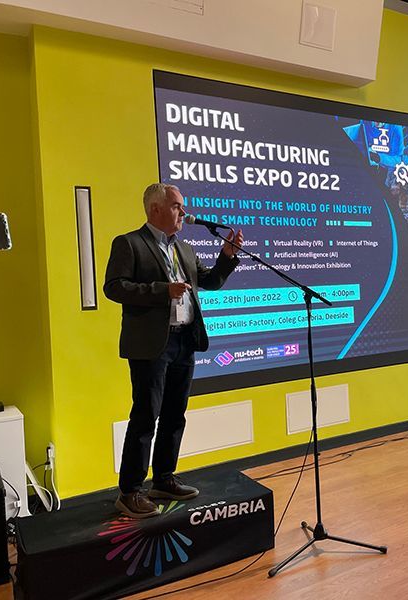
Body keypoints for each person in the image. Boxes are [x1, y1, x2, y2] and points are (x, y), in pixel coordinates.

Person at [104, 183, 243, 518]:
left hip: (184, 340)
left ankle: (163, 479)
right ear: (155, 209)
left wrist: (226, 257)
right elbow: (114, 287)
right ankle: (130, 491)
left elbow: (208, 282)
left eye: (183, 207)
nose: (183, 212)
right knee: (145, 415)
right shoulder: (130, 244)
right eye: (178, 206)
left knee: (174, 414)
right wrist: (162, 290)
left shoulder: (185, 249)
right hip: (152, 344)